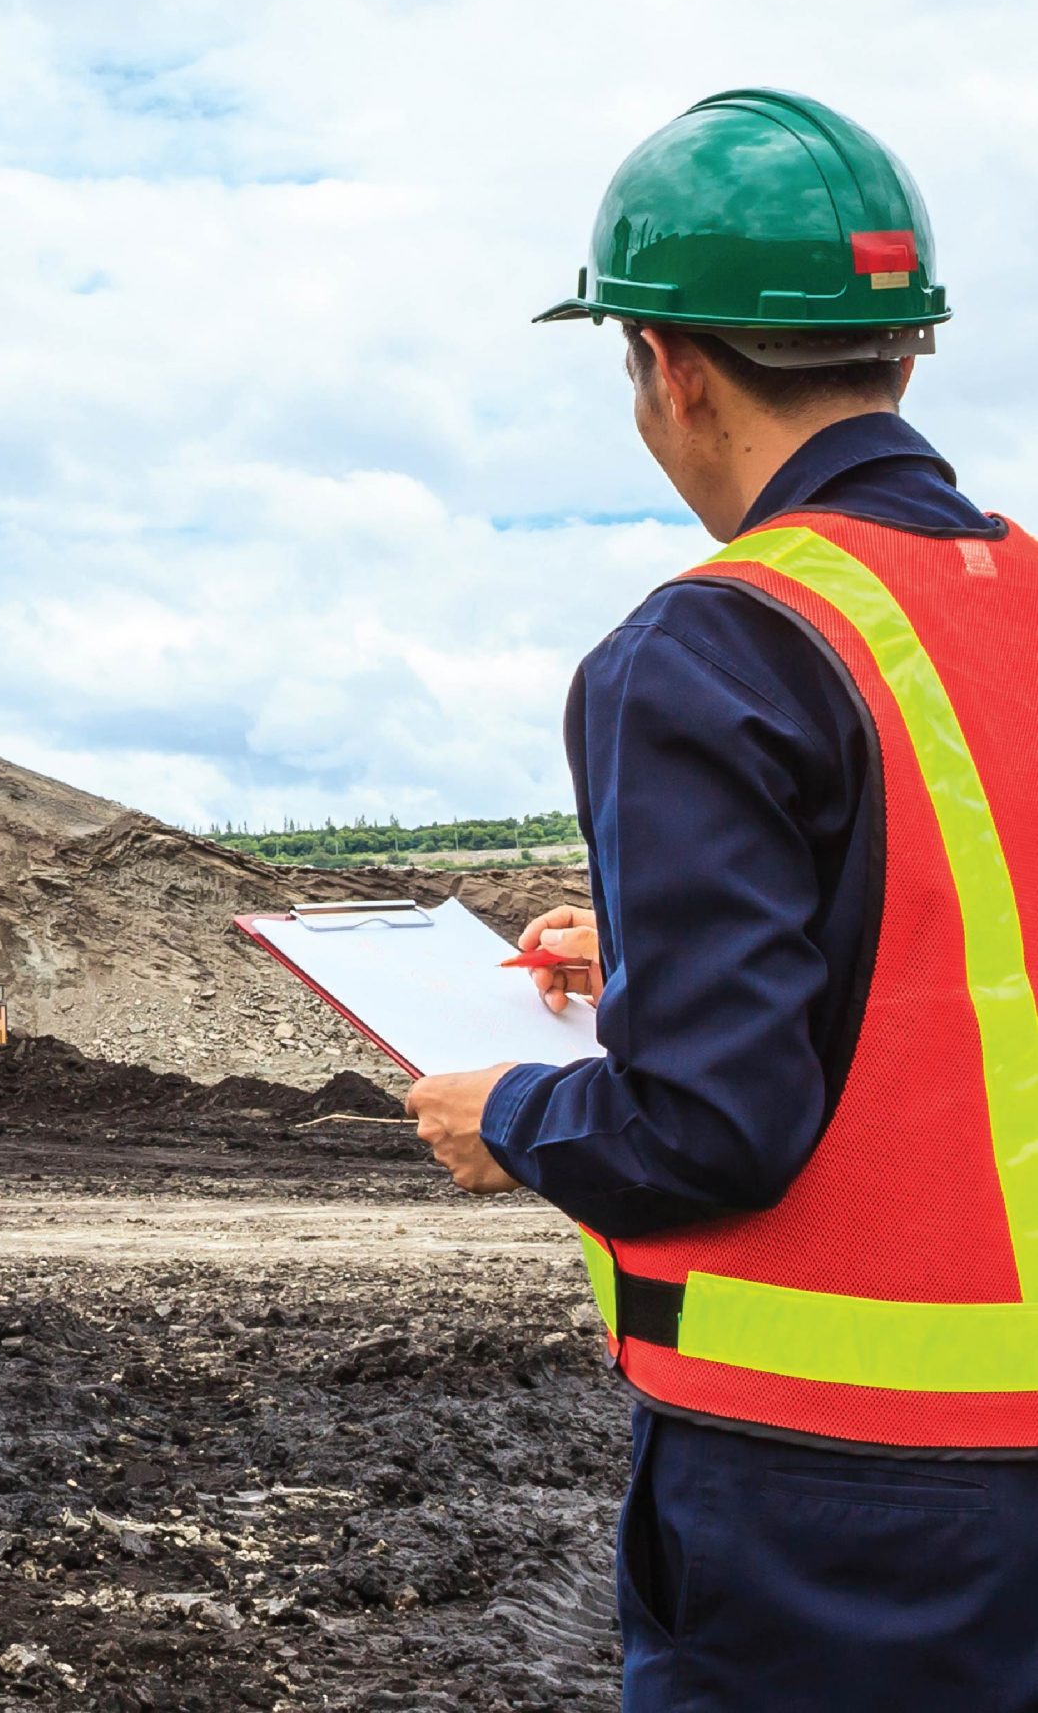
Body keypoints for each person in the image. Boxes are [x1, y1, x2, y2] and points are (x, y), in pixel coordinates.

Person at [403, 87, 1038, 1711]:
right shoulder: (1020, 597)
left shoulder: (711, 646)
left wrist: (509, 1114)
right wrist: (660, 953)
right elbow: (977, 943)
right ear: (903, 356)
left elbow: (707, 1128)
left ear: (666, 365)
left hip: (851, 1500)